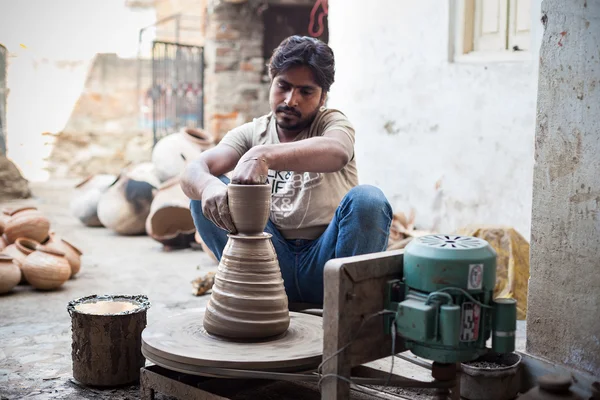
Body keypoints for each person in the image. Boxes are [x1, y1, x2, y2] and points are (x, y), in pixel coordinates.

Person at [181, 35, 392, 305]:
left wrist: (263, 155)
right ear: (272, 82)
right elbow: (193, 170)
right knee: (204, 196)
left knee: (369, 200)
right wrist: (209, 186)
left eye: (306, 92)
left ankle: (351, 314)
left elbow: (337, 152)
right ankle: (248, 301)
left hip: (328, 263)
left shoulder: (332, 123)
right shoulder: (252, 133)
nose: (291, 100)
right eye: (284, 86)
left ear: (323, 96)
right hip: (266, 264)